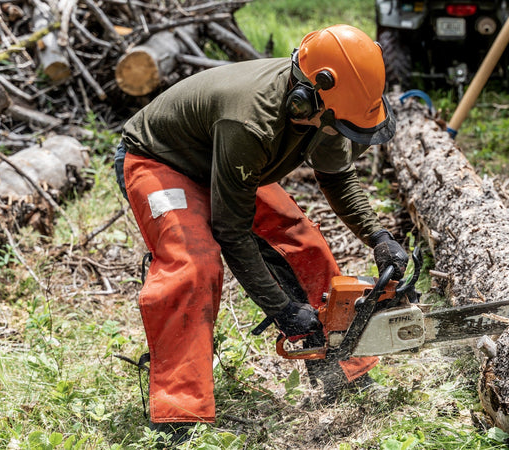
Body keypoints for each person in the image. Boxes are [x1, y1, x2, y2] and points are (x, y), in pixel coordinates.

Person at [113, 24, 409, 443]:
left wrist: (379, 236)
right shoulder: (251, 122)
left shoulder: (329, 109)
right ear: (307, 97)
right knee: (193, 265)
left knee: (300, 240)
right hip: (161, 162)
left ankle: (342, 370)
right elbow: (231, 233)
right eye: (337, 125)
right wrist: (282, 309)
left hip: (229, 163)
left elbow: (338, 177)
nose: (339, 133)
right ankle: (179, 415)